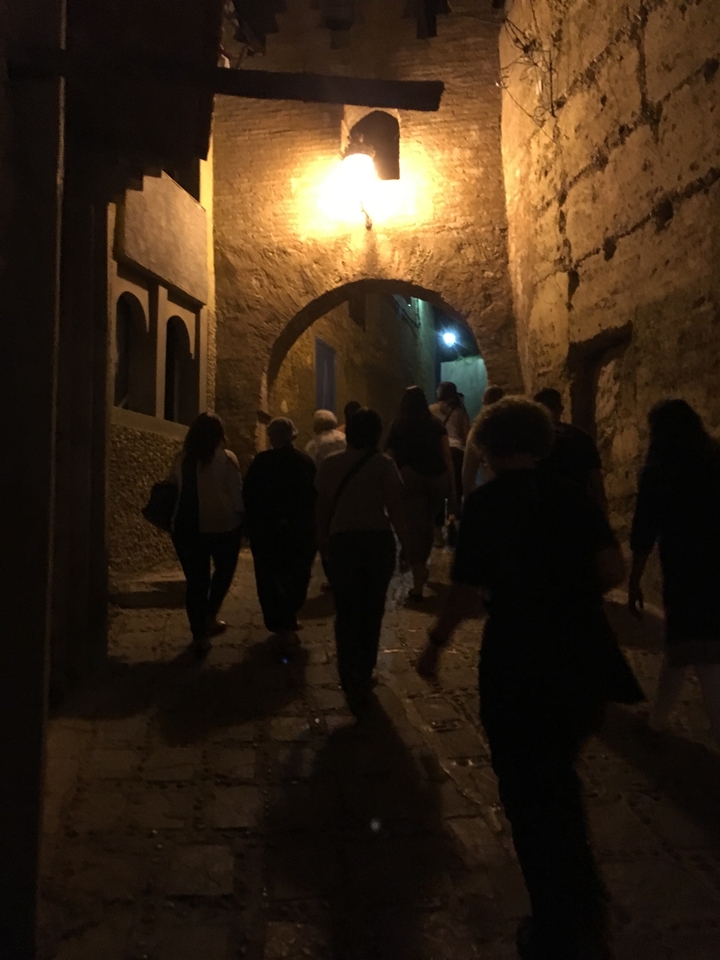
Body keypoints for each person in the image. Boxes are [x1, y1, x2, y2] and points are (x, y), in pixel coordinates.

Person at [417, 397, 643, 960]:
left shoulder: (487, 506)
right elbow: (611, 570)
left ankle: (557, 924)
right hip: (582, 655)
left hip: (519, 659)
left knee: (527, 792)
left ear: (489, 446)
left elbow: (465, 594)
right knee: (560, 781)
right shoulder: (571, 497)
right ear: (541, 443)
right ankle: (582, 905)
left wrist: (435, 646)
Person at [629, 399, 720, 744]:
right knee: (685, 644)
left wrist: (636, 577)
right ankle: (657, 720)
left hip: (685, 565)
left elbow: (644, 529)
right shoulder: (714, 460)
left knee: (699, 647)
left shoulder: (660, 470)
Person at [316, 408, 410, 715]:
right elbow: (395, 508)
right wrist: (407, 545)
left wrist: (322, 542)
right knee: (372, 610)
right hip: (376, 542)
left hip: (343, 542)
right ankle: (365, 670)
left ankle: (349, 675)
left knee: (346, 611)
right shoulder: (384, 464)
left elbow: (322, 508)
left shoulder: (330, 465)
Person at [170, 413, 244, 656]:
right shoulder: (226, 458)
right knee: (224, 570)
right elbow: (235, 496)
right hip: (222, 526)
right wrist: (242, 521)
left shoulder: (181, 459)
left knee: (196, 582)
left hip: (186, 527)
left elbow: (173, 487)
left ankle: (199, 635)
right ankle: (211, 614)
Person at [243, 418, 317, 643]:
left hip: (267, 529)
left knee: (268, 574)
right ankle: (290, 613)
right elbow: (313, 496)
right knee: (298, 572)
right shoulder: (304, 462)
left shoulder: (261, 462)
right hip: (298, 529)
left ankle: (275, 618)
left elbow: (249, 495)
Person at [386, 386, 457, 599]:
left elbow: (390, 456)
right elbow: (446, 455)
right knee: (426, 526)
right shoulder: (435, 425)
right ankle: (420, 568)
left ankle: (417, 582)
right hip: (436, 480)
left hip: (410, 479)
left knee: (415, 528)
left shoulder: (398, 426)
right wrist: (452, 485)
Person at [534, 387, 608, 512]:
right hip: (580, 506)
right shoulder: (580, 437)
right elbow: (596, 480)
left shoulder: (534, 442)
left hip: (548, 509)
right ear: (561, 408)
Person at [429, 382, 471, 506]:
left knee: (439, 485)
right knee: (457, 486)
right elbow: (466, 434)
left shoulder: (430, 409)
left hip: (437, 450)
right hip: (457, 450)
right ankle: (455, 515)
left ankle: (439, 519)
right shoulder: (459, 411)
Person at [462, 385, 505, 497]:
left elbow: (468, 471)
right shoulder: (516, 427)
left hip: (491, 489)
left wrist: (468, 497)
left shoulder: (480, 428)